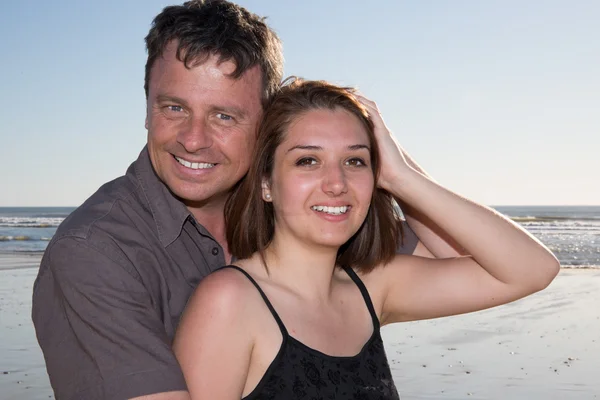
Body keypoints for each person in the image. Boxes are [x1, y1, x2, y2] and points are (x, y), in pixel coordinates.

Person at [31, 2, 458, 399]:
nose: (194, 140)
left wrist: (398, 174)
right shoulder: (95, 255)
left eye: (224, 116)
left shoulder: (296, 212)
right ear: (146, 107)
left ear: (266, 123)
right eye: (174, 108)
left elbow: (460, 254)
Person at [172, 78, 560, 399]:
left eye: (355, 160)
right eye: (307, 160)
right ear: (266, 184)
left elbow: (531, 270)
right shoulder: (229, 301)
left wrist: (402, 177)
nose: (336, 183)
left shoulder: (371, 287)